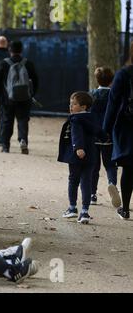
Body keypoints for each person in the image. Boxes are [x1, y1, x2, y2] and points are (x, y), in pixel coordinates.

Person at [58, 92, 101, 224]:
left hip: (76, 155)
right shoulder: (93, 117)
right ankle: (85, 211)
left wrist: (78, 147)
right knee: (86, 182)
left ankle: (72, 208)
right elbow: (99, 132)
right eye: (70, 103)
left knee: (73, 180)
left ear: (83, 106)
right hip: (91, 155)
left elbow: (76, 133)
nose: (70, 106)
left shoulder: (75, 119)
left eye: (74, 104)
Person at [0, 40, 38, 154]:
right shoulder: (28, 63)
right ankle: (23, 140)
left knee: (7, 121)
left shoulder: (4, 63)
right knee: (22, 120)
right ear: (21, 50)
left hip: (7, 99)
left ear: (9, 50)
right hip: (25, 98)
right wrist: (31, 94)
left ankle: (5, 146)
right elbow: (36, 80)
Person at [103, 44, 133, 220]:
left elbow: (112, 103)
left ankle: (126, 208)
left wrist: (105, 129)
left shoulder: (123, 74)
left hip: (126, 125)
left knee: (129, 168)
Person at [89, 67, 121, 208]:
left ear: (97, 79)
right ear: (111, 81)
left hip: (94, 136)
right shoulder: (115, 95)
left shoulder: (91, 95)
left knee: (93, 166)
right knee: (110, 165)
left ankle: (92, 195)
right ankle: (112, 183)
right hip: (109, 136)